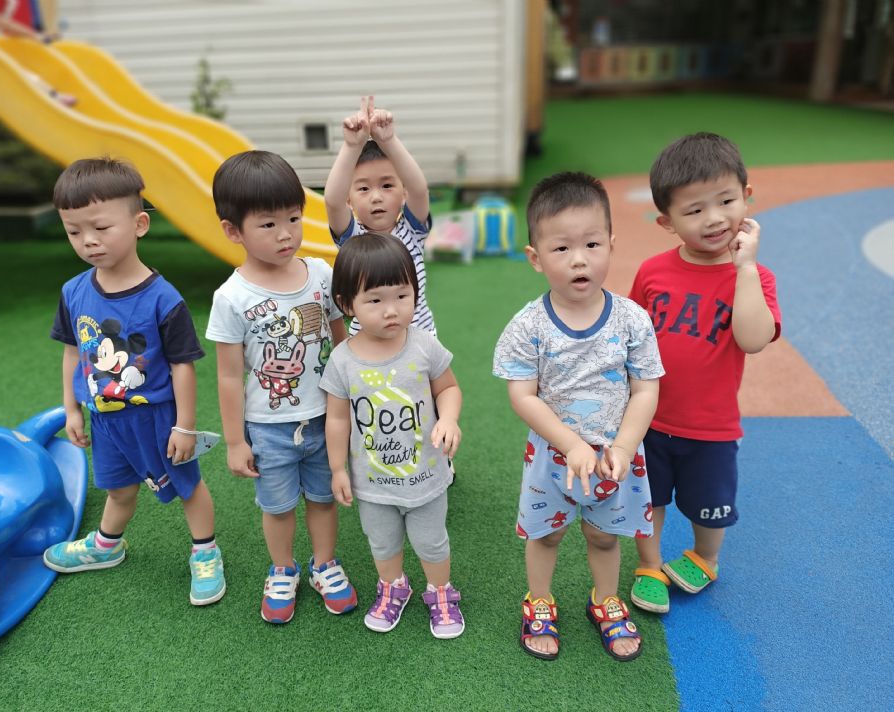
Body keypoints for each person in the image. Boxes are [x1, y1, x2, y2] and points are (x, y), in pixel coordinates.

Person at [493, 172, 664, 662]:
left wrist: (625, 447)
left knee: (604, 536)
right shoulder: (528, 326)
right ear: (535, 257)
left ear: (611, 244)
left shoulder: (632, 319)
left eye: (591, 244)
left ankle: (605, 600)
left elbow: (646, 387)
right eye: (562, 248)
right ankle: (539, 600)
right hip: (553, 456)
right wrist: (569, 443)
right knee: (546, 534)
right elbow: (523, 395)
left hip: (615, 456)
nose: (579, 259)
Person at [42, 157, 225, 607]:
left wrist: (184, 426)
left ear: (139, 224)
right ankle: (108, 544)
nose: (88, 240)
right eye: (73, 231)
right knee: (117, 486)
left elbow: (183, 366)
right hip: (103, 418)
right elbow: (72, 351)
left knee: (186, 486)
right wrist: (71, 407)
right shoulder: (73, 291)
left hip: (155, 419)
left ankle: (206, 551)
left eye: (101, 227)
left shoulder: (164, 299)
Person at [627, 132, 781, 615]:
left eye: (726, 201)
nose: (714, 218)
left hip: (712, 427)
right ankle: (648, 564)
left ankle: (705, 558)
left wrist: (746, 269)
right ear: (667, 222)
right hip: (649, 419)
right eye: (694, 210)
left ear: (747, 196)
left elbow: (753, 339)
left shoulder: (756, 278)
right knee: (648, 500)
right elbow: (631, 335)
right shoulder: (652, 272)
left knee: (710, 506)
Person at [205, 150, 357, 624]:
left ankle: (324, 565)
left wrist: (355, 399)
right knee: (277, 506)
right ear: (233, 231)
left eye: (293, 218)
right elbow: (229, 375)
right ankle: (283, 569)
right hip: (268, 427)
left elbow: (342, 344)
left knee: (324, 498)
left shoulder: (322, 275)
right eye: (268, 224)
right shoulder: (231, 297)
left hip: (326, 418)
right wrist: (235, 441)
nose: (286, 233)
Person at [320, 232, 465, 639]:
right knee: (382, 543)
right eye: (375, 300)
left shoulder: (424, 345)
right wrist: (337, 469)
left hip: (426, 475)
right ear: (347, 304)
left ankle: (440, 591)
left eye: (402, 295)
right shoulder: (343, 360)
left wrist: (449, 419)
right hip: (373, 482)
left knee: (432, 542)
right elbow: (337, 419)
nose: (392, 310)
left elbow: (449, 388)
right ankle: (393, 586)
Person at [323, 96, 436, 336]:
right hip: (367, 343)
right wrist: (351, 147)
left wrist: (389, 140)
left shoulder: (412, 232)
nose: (376, 197)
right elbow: (332, 202)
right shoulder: (353, 239)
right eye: (364, 188)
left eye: (387, 186)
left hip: (419, 340)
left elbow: (419, 190)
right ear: (349, 199)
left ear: (403, 193)